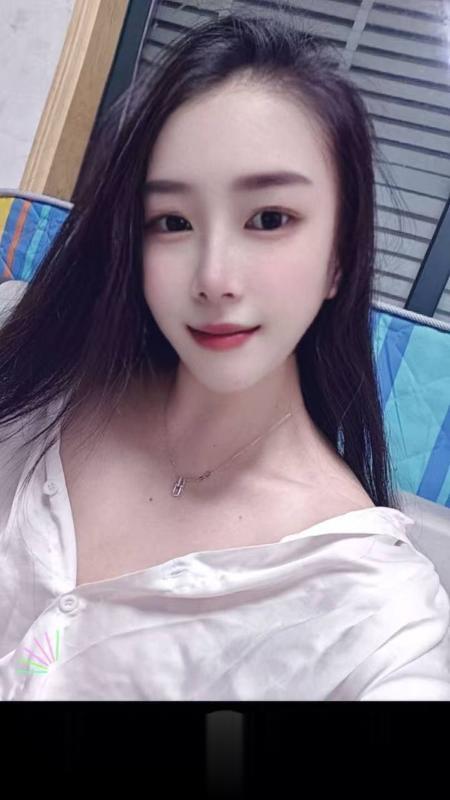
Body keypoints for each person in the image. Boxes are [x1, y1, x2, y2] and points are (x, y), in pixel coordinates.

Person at [0, 9, 449, 700]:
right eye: (172, 222)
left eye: (269, 219)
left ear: (339, 257)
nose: (214, 278)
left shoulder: (373, 611)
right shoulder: (39, 382)